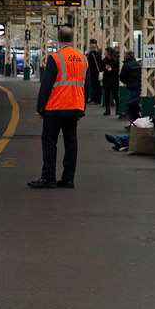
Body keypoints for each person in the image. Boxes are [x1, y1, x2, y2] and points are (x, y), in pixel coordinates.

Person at [28, 26, 88, 189]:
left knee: (49, 141)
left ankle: (48, 177)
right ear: (73, 39)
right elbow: (85, 86)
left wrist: (40, 107)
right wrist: (82, 108)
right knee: (71, 142)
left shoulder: (55, 58)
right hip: (75, 106)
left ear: (58, 40)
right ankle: (68, 179)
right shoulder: (83, 58)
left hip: (55, 107)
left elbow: (46, 85)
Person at [119, 50, 142, 122]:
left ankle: (134, 122)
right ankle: (137, 121)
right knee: (134, 106)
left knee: (128, 107)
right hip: (139, 88)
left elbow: (122, 78)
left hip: (132, 88)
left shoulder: (126, 65)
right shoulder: (138, 64)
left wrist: (127, 81)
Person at [101, 46, 120, 115]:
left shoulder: (116, 60)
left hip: (114, 79)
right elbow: (100, 69)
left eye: (105, 52)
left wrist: (112, 69)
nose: (104, 53)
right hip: (107, 79)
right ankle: (107, 109)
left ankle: (118, 109)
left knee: (115, 95)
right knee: (107, 95)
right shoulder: (104, 60)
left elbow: (118, 69)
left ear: (108, 52)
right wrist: (104, 67)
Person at [85, 39, 103, 104]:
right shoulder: (97, 54)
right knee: (95, 85)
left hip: (93, 71)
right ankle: (95, 99)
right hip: (95, 71)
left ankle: (94, 99)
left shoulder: (92, 54)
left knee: (94, 86)